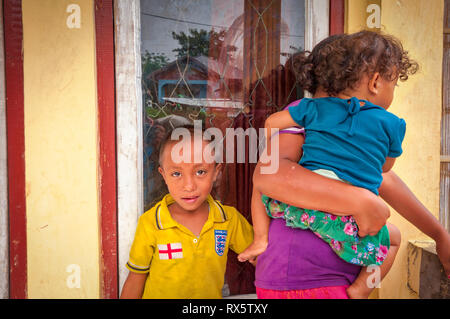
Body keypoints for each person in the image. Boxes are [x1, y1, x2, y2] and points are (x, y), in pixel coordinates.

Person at [239, 31, 450, 298]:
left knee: (391, 236)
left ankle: (359, 288)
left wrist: (439, 234)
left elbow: (386, 178)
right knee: (391, 239)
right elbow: (269, 175)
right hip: (302, 277)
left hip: (323, 273)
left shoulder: (318, 116)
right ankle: (363, 289)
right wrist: (361, 201)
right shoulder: (312, 114)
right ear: (373, 81)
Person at [120, 124, 254, 299]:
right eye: (176, 174)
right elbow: (136, 277)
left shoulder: (228, 219)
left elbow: (261, 257)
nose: (189, 186)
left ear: (216, 173)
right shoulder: (152, 222)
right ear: (163, 175)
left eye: (200, 172)